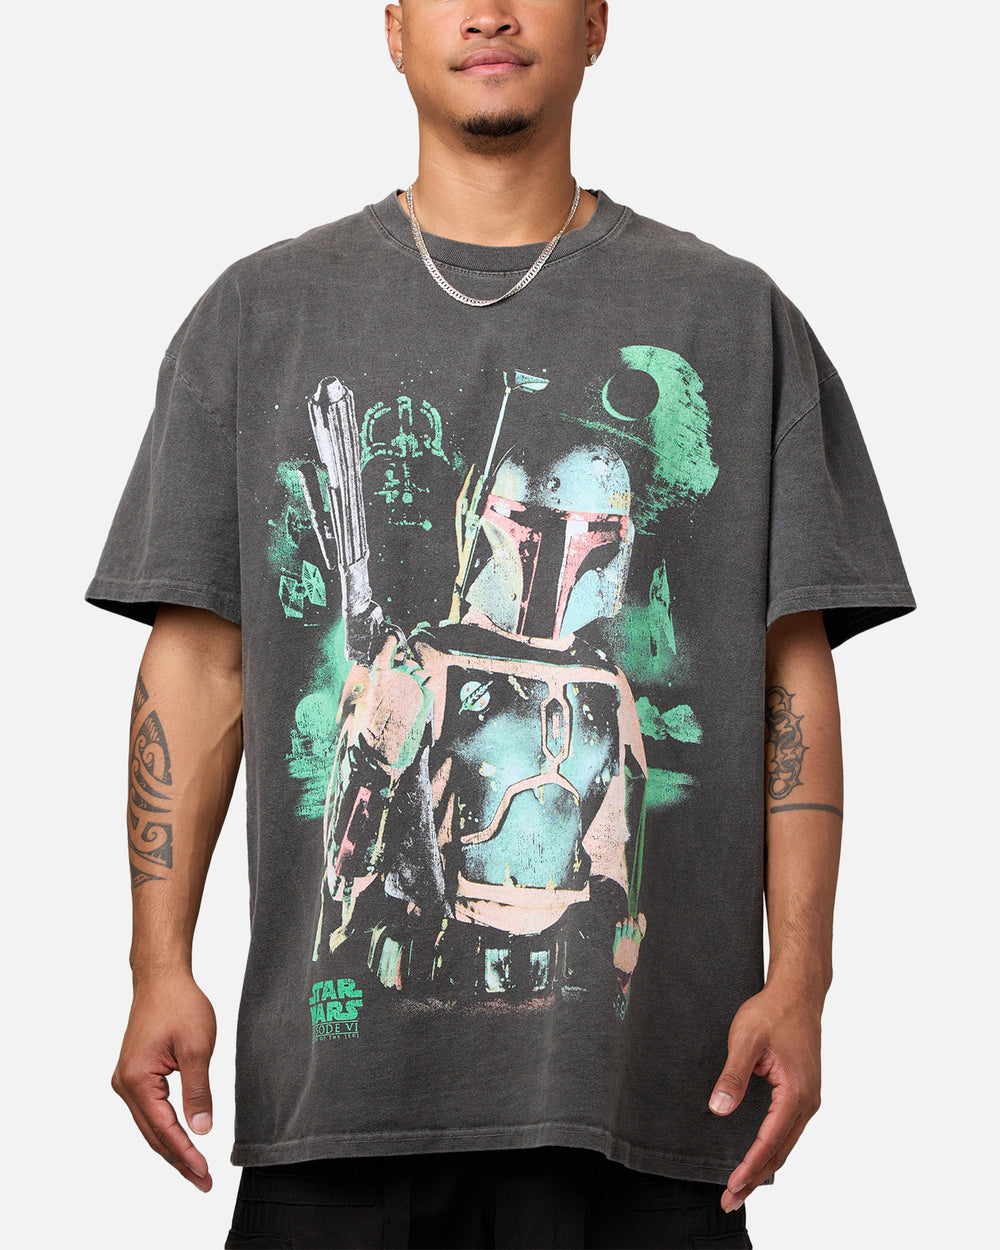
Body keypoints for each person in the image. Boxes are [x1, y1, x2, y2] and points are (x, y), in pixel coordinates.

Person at [86, 3, 915, 1247]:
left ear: (594, 22)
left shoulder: (735, 321)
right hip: (340, 1111)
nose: (488, 9)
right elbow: (201, 663)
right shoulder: (259, 316)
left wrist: (802, 979)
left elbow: (788, 675)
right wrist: (158, 961)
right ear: (392, 26)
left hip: (645, 1110)